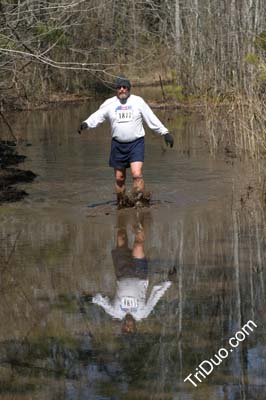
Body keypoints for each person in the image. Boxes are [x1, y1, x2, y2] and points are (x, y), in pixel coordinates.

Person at [78, 76, 174, 208]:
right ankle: (121, 203)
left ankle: (141, 202)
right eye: (119, 87)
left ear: (129, 88)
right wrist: (86, 123)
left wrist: (165, 132)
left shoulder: (138, 102)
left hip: (136, 143)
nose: (122, 89)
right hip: (118, 145)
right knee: (119, 178)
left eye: (124, 87)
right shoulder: (109, 103)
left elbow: (151, 118)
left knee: (137, 174)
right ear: (116, 89)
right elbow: (98, 116)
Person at [92, 212, 172, 334]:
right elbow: (155, 294)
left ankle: (122, 209)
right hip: (140, 274)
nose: (128, 326)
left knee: (120, 236)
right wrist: (169, 282)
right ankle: (143, 214)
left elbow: (102, 302)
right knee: (138, 245)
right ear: (135, 327)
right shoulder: (142, 313)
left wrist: (91, 299)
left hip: (122, 272)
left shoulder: (115, 312)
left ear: (122, 326)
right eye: (131, 329)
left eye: (125, 329)